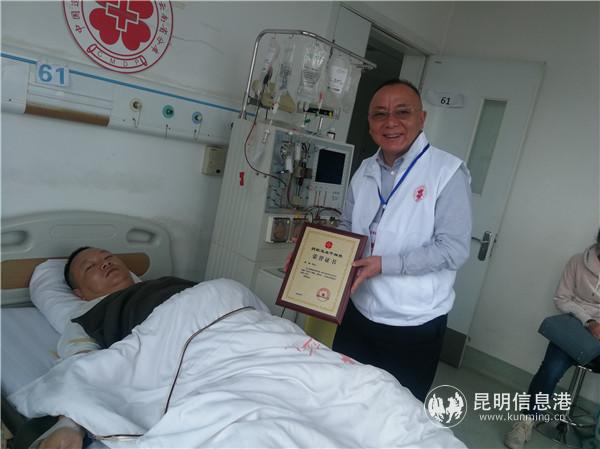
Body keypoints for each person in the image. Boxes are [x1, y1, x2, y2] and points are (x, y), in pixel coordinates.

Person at [331, 79, 472, 402]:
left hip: (413, 322)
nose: (390, 122)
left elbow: (452, 249)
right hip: (357, 311)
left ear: (421, 118)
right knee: (343, 397)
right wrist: (310, 257)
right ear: (370, 124)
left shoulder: (447, 172)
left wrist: (385, 265)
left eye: (402, 112)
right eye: (380, 114)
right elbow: (348, 226)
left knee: (396, 411)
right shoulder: (364, 170)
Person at [504, 229, 600, 449]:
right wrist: (588, 321)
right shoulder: (577, 262)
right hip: (574, 326)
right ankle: (525, 422)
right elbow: (562, 298)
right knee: (550, 370)